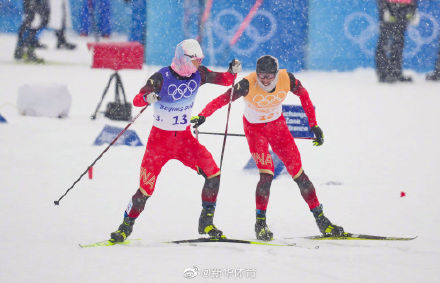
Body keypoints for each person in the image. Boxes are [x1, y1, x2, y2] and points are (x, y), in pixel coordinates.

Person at [191, 55, 344, 241]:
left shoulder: (288, 79)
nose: (265, 80)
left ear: (276, 74)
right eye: (261, 75)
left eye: (269, 76)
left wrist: (314, 125)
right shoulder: (247, 83)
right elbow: (223, 99)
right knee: (267, 174)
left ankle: (321, 220)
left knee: (299, 174)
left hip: (278, 127)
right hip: (254, 130)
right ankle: (260, 224)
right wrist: (202, 116)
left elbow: (304, 96)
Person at [109, 39, 242, 243]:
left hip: (184, 140)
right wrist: (147, 98)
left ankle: (206, 222)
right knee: (145, 189)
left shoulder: (200, 74)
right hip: (159, 143)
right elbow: (137, 99)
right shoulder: (161, 77)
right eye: (195, 61)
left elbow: (225, 80)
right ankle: (125, 227)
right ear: (184, 59)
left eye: (200, 61)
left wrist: (232, 71)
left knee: (213, 173)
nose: (198, 65)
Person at [375, 0, 418, 83]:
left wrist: (413, 8)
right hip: (389, 5)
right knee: (384, 41)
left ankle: (396, 72)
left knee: (399, 42)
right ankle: (383, 74)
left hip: (404, 8)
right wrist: (384, 8)